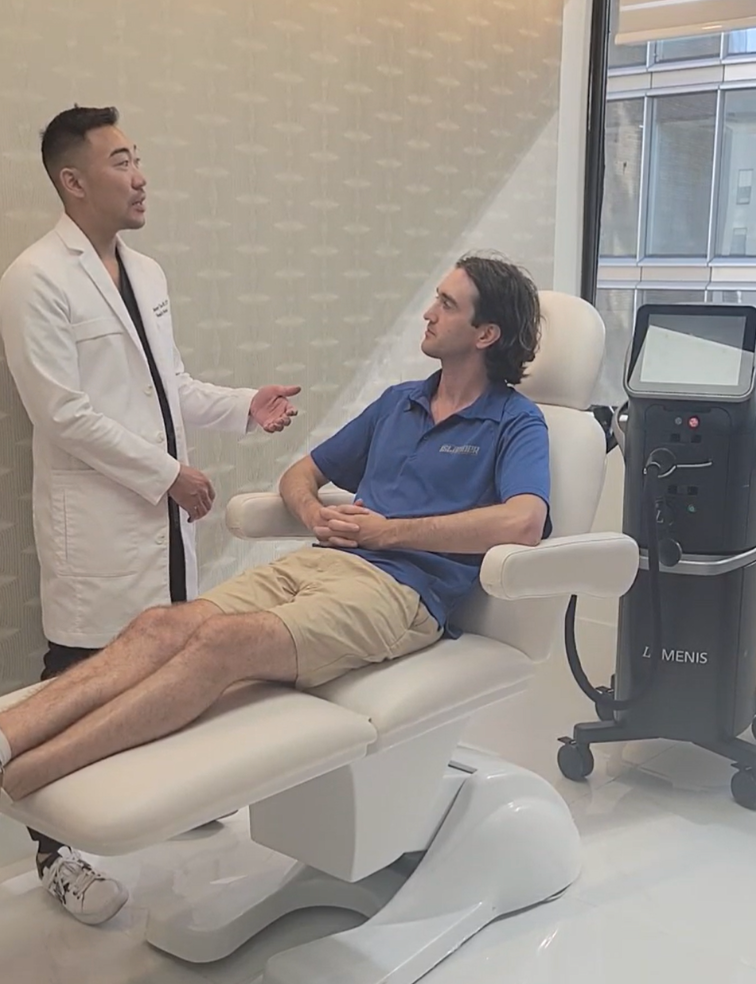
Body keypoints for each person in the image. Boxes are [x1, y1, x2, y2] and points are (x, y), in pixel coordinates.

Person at [0, 253, 550, 903]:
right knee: (164, 623)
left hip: (404, 593)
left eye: (448, 305)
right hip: (321, 561)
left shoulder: (517, 422)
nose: (429, 313)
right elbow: (301, 473)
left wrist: (390, 532)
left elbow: (524, 521)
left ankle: (28, 776)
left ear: (486, 334)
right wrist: (315, 512)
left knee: (220, 645)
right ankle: (8, 740)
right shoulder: (398, 403)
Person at [0, 106, 300, 925]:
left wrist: (246, 406)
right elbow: (62, 414)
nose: (141, 177)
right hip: (98, 520)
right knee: (81, 673)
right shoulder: (34, 279)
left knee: (162, 657)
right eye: (122, 161)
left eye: (139, 159)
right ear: (73, 181)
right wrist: (169, 476)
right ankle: (56, 854)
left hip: (157, 523)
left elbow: (167, 387)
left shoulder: (150, 273)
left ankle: (159, 801)